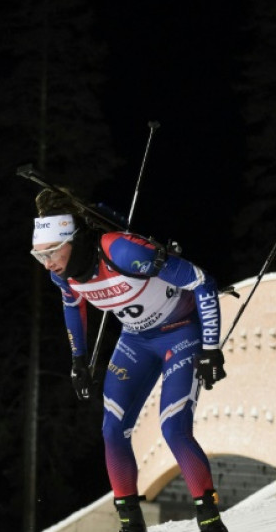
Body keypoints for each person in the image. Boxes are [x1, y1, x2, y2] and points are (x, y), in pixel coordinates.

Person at [30, 188, 229, 532]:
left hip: (180, 332)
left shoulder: (120, 250)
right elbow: (72, 305)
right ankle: (130, 525)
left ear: (73, 240)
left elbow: (201, 281)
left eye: (51, 252)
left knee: (173, 427)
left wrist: (211, 348)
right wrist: (79, 359)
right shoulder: (61, 273)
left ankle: (210, 523)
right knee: (112, 429)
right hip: (136, 340)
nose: (47, 263)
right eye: (39, 256)